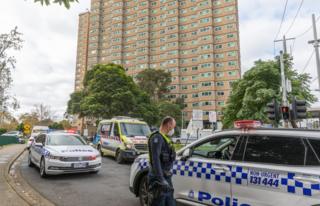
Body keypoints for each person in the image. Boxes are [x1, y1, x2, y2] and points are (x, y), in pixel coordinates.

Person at [148, 116, 176, 206]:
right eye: (173, 126)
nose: (173, 129)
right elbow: (155, 159)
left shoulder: (166, 138)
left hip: (166, 177)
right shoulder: (157, 137)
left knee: (170, 203)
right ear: (169, 125)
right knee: (159, 202)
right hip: (159, 178)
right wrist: (161, 179)